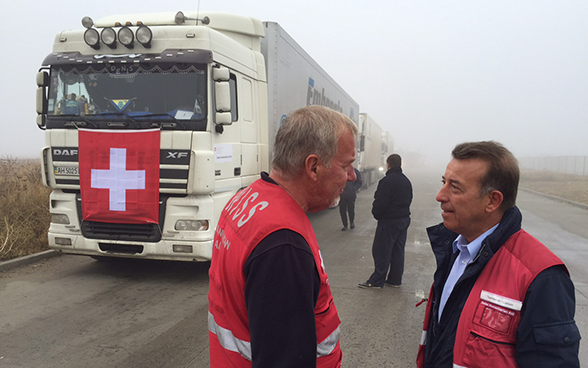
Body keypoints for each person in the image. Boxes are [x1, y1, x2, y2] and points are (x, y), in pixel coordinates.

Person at [208, 105, 357, 368]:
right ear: (313, 167)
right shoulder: (283, 244)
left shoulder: (246, 198)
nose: (352, 176)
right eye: (346, 165)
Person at [417, 141, 581, 367]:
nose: (440, 195)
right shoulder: (455, 250)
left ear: (492, 201)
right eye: (443, 182)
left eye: (455, 187)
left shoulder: (542, 277)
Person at [359, 154, 412, 289]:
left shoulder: (387, 182)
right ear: (400, 164)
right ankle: (395, 279)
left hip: (389, 221)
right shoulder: (406, 181)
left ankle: (376, 281)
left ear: (388, 164)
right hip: (404, 220)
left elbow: (380, 203)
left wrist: (377, 214)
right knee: (398, 251)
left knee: (381, 250)